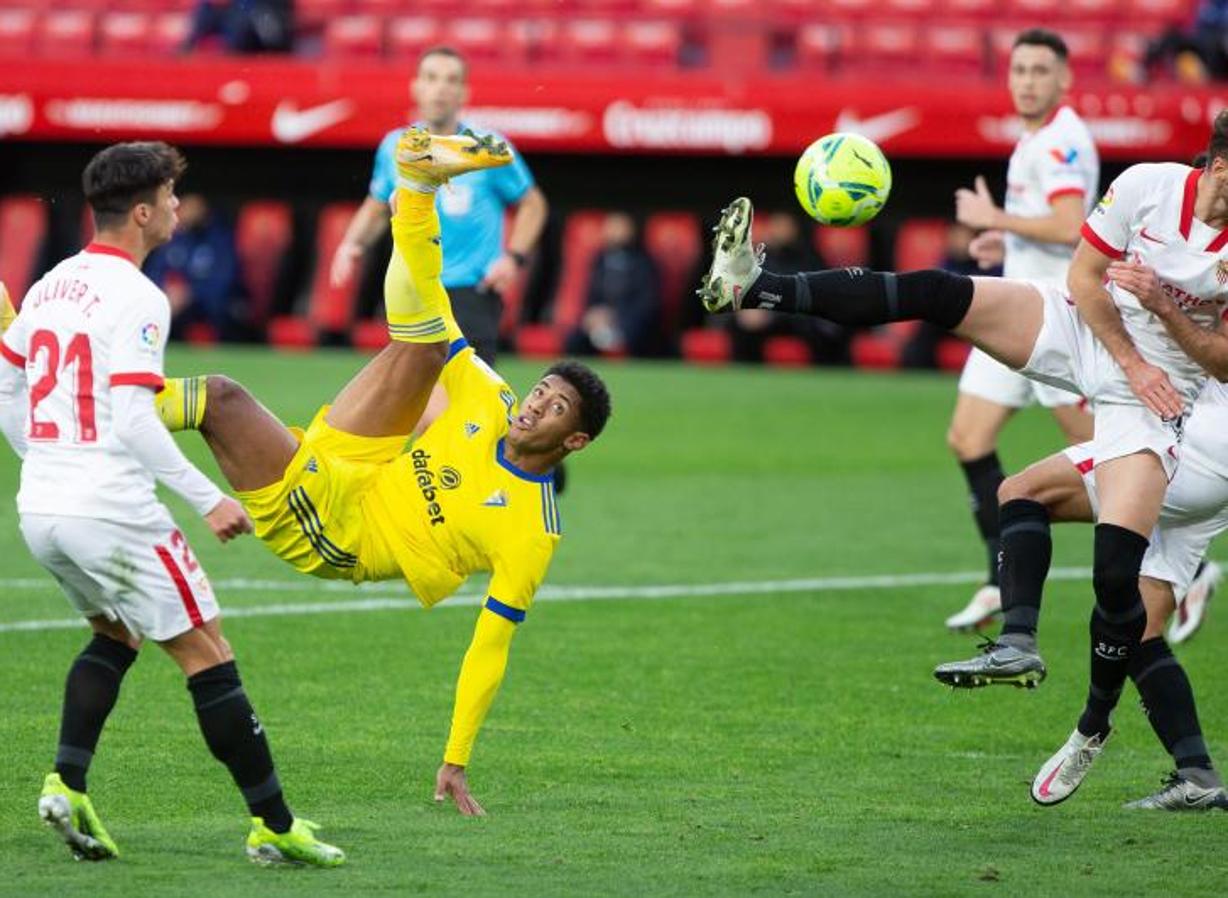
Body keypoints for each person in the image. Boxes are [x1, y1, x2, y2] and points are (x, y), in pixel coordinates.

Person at [698, 110, 1228, 807]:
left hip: (1160, 397)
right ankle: (755, 286)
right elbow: (1086, 275)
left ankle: (1089, 726)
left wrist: (1162, 307)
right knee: (937, 293)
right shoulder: (1147, 186)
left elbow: (1219, 358)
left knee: (1111, 577)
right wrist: (1126, 354)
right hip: (1093, 330)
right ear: (1218, 160)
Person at [157, 128, 611, 816]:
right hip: (357, 463)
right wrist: (418, 205)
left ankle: (68, 396)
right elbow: (429, 308)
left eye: (555, 409)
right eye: (541, 390)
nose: (536, 405)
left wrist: (456, 757)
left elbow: (489, 650)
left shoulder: (531, 534)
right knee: (426, 340)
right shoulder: (493, 402)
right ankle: (419, 182)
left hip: (338, 533)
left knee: (221, 397)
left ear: (572, 440)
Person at [0, 142, 344, 865]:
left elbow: (7, 389)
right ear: (147, 212)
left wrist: (46, 460)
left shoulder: (49, 284)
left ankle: (68, 783)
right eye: (173, 196)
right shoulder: (140, 297)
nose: (182, 207)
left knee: (116, 634)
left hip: (43, 508)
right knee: (207, 652)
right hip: (111, 510)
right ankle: (276, 828)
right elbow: (131, 417)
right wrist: (209, 496)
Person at [935, 378, 1228, 809]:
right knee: (1140, 627)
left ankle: (1019, 642)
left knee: (1023, 492)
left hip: (1187, 445)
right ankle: (1196, 776)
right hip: (1214, 472)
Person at [944, 28, 1099, 632]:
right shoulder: (1034, 138)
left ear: (1064, 79)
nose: (1027, 81)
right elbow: (1044, 227)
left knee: (1113, 458)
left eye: (1040, 71)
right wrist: (1002, 237)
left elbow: (1070, 227)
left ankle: (1185, 570)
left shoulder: (1062, 141)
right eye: (1020, 70)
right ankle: (994, 578)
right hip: (1017, 310)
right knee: (968, 437)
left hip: (1058, 322)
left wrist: (992, 216)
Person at [330, 46, 548, 366]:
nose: (441, 88)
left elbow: (533, 205)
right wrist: (350, 244)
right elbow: (376, 207)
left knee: (469, 399)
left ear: (464, 92)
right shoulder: (396, 146)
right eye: (431, 78)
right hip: (415, 289)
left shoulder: (483, 147)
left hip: (471, 292)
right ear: (416, 87)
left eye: (451, 80)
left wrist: (513, 259)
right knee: (414, 399)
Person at [727, 212, 850, 365]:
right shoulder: (759, 258)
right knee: (743, 325)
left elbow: (821, 290)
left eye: (786, 226)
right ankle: (747, 373)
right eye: (777, 226)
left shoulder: (810, 257)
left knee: (828, 330)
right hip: (768, 314)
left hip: (800, 315)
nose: (781, 231)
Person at [144, 194, 242, 341]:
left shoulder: (220, 241)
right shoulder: (172, 240)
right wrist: (166, 294)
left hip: (207, 312)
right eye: (184, 205)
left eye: (193, 205)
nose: (186, 210)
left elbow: (224, 283)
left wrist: (190, 295)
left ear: (203, 208)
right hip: (170, 308)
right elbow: (153, 275)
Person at [564, 211, 662, 358]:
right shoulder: (600, 259)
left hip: (630, 323)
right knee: (574, 341)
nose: (613, 232)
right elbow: (591, 295)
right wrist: (593, 315)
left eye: (619, 227)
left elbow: (646, 304)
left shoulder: (643, 262)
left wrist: (616, 317)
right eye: (610, 227)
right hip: (600, 322)